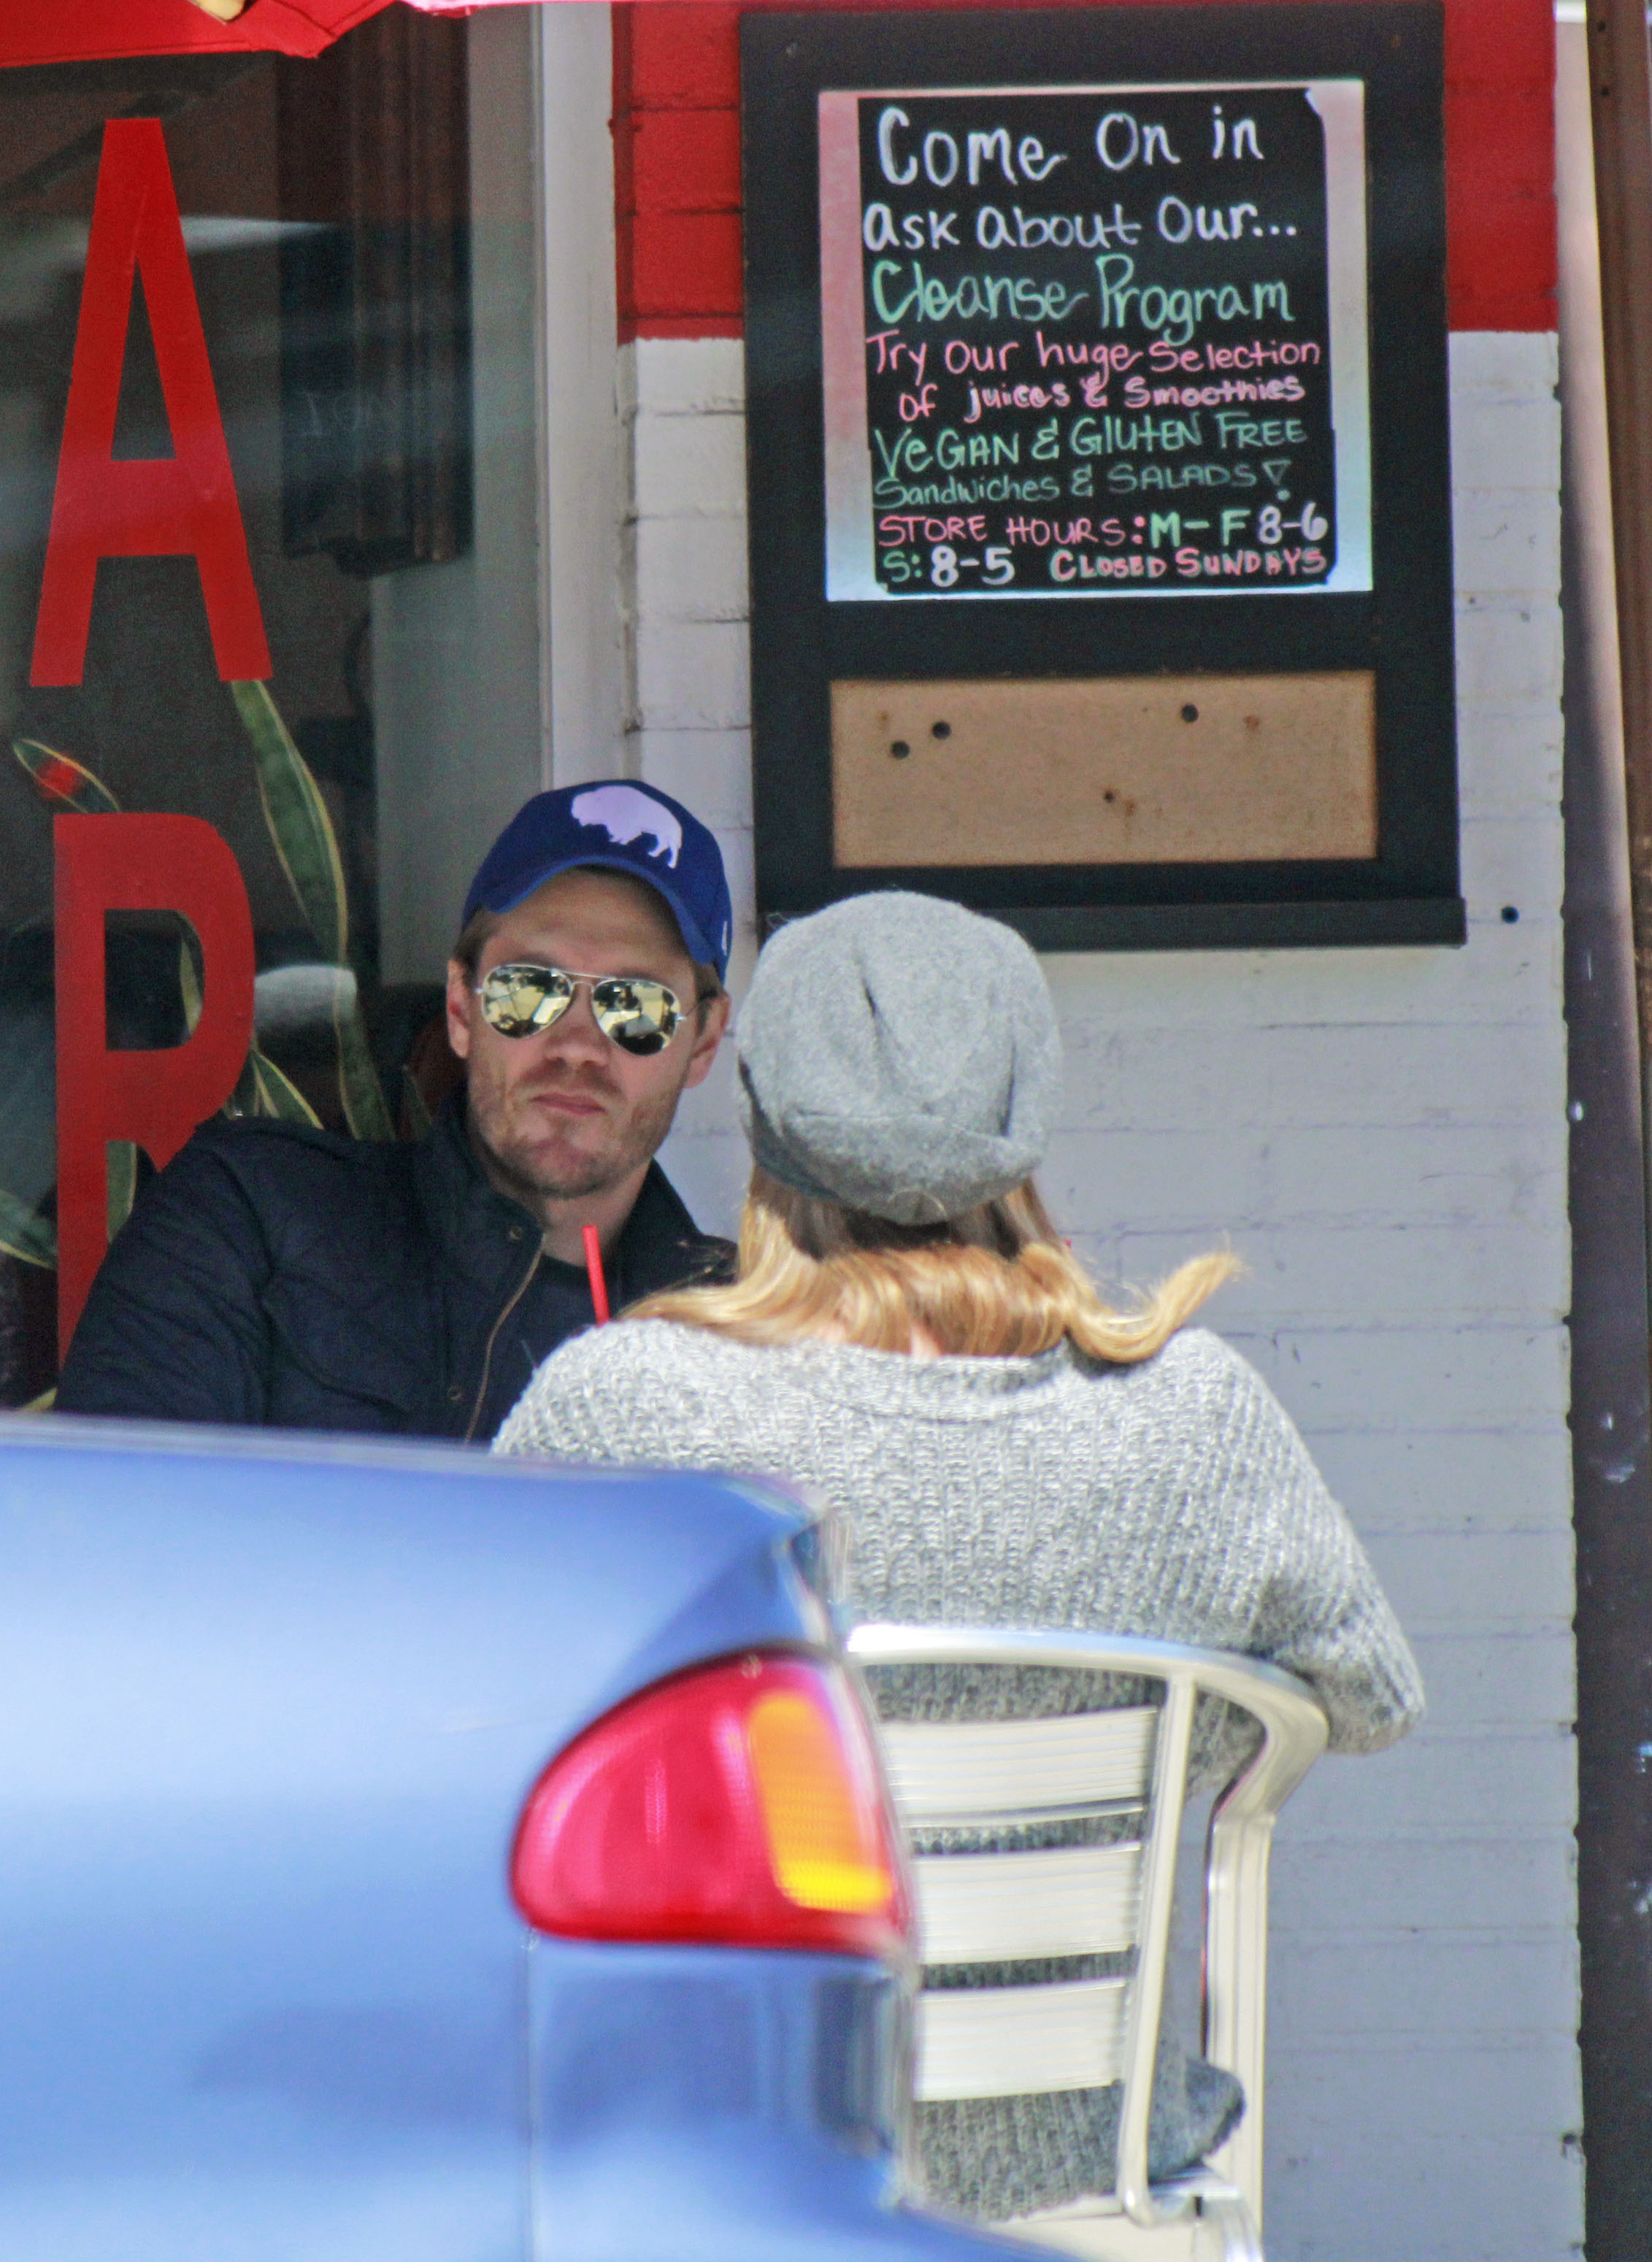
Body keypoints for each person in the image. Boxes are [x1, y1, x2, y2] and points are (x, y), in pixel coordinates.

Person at [493, 888, 1424, 2223]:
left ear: (756, 1118)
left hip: (738, 2167)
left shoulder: (629, 1408)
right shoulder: (1191, 1415)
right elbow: (1373, 1697)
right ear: (1022, 1117)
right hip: (1086, 2173)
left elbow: (469, 1732)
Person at [57, 780, 734, 1438]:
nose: (578, 1046)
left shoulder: (745, 1337)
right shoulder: (251, 1216)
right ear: (461, 1009)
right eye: (529, 989)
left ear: (702, 1040)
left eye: (636, 1005)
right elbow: (113, 1530)